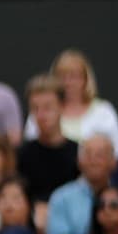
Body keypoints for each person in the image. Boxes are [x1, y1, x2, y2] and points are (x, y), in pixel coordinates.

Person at [23, 50, 118, 158]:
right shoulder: (40, 111)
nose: (68, 82)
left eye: (74, 76)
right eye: (62, 77)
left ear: (86, 80)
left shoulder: (104, 111)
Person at [17, 75, 80, 208]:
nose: (40, 115)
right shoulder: (21, 155)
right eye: (35, 108)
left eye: (47, 107)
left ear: (62, 107)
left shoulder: (78, 154)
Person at [47, 134, 116, 234]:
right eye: (88, 154)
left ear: (113, 162)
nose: (93, 161)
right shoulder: (61, 198)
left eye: (100, 155)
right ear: (79, 161)